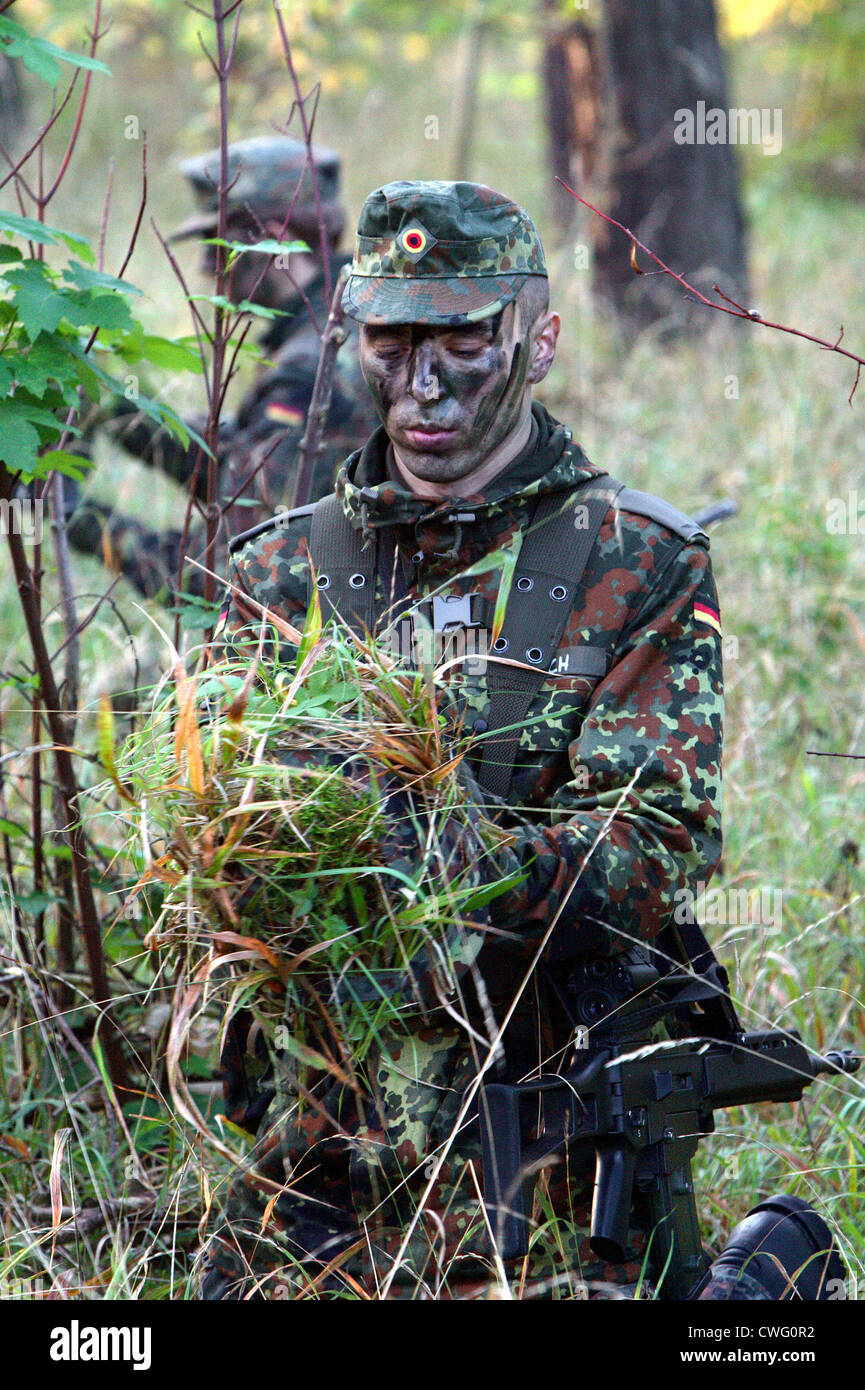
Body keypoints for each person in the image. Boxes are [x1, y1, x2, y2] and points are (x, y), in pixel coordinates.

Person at [199, 179, 725, 1300]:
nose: (421, 385)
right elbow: (220, 850)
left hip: (551, 1111)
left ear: (537, 344)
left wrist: (443, 861)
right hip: (323, 1122)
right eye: (390, 343)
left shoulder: (637, 560)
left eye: (460, 343)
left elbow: (655, 840)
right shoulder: (276, 571)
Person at [66, 135, 378, 599]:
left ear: (274, 242)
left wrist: (74, 519)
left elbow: (230, 581)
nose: (205, 266)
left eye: (217, 245)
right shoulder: (360, 320)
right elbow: (241, 466)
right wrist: (112, 404)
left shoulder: (312, 372)